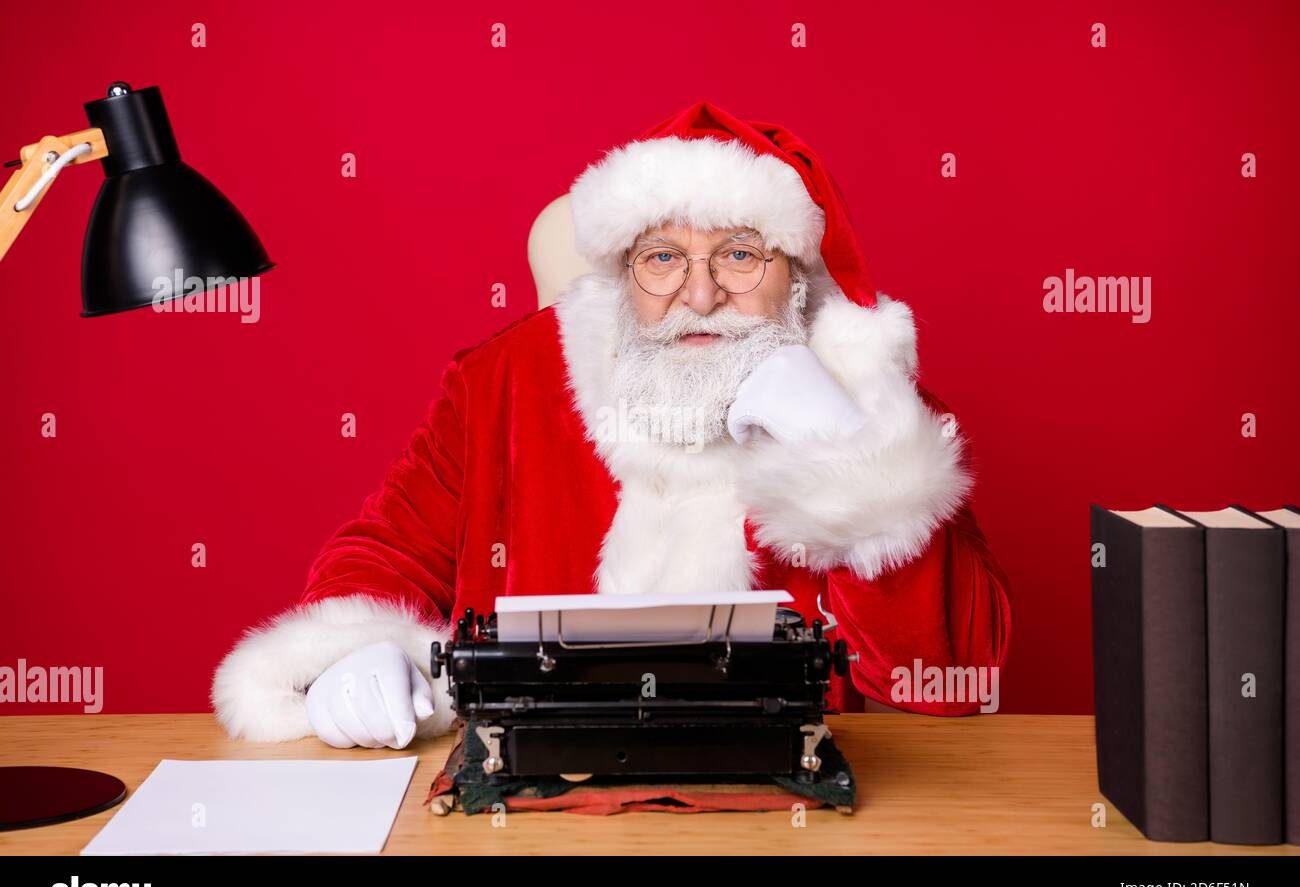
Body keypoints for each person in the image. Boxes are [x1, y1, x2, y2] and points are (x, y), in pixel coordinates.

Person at [212, 102, 1012, 749]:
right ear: (623, 269)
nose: (699, 296)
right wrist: (357, 653)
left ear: (798, 275)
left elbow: (950, 679)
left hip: (778, 814)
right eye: (662, 258)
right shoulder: (505, 380)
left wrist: (852, 468)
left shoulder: (867, 398)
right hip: (527, 809)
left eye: (740, 256)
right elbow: (383, 551)